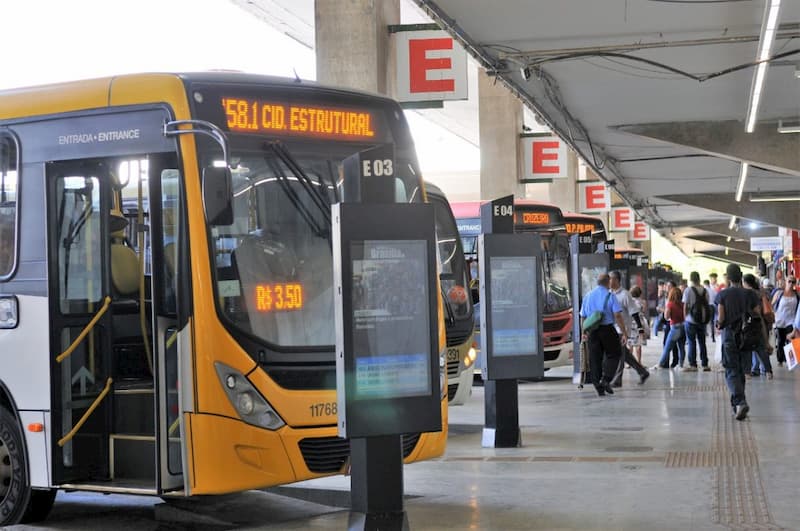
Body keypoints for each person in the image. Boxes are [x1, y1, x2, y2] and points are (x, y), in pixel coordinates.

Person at [715, 264, 762, 421]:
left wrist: (718, 325)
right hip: (747, 337)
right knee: (742, 371)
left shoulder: (723, 295)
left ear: (728, 278)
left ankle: (740, 402)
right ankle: (737, 405)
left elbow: (721, 318)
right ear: (741, 275)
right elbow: (758, 318)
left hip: (730, 336)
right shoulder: (751, 294)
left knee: (731, 371)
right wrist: (765, 342)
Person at [580, 273, 628, 397]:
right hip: (607, 330)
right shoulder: (610, 295)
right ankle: (606, 379)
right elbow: (617, 315)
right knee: (615, 354)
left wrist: (583, 332)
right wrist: (624, 332)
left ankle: (598, 386)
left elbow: (583, 316)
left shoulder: (588, 295)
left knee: (595, 358)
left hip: (593, 331)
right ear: (608, 282)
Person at [608, 271, 650, 387]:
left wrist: (640, 329)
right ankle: (643, 372)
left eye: (610, 279)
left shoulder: (625, 295)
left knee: (620, 354)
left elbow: (634, 312)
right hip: (611, 329)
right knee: (624, 354)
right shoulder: (609, 293)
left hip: (622, 330)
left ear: (616, 280)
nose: (608, 281)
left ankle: (617, 379)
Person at [742, 274, 773, 379]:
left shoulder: (746, 294)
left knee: (747, 348)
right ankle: (768, 371)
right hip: (761, 323)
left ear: (746, 283)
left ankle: (748, 372)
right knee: (761, 348)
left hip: (749, 323)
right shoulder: (762, 292)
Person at [682, 271, 711, 371]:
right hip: (702, 321)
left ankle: (693, 365)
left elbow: (685, 305)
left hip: (691, 320)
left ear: (691, 279)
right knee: (702, 342)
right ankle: (705, 364)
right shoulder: (704, 290)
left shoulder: (688, 290)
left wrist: (684, 317)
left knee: (691, 342)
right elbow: (707, 303)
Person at [654, 286, 686, 369]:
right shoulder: (683, 304)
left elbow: (666, 317)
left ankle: (660, 364)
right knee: (681, 347)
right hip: (683, 327)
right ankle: (681, 364)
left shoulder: (670, 304)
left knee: (667, 347)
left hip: (674, 328)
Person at [772, 275, 798, 368]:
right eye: (789, 281)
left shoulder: (796, 295)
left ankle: (790, 360)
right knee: (780, 341)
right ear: (786, 282)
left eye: (793, 282)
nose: (791, 284)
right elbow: (772, 304)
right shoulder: (779, 293)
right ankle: (780, 359)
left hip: (791, 321)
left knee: (791, 340)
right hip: (779, 321)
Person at [630, 285, 646, 365]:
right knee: (638, 344)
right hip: (640, 324)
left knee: (630, 344)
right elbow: (643, 311)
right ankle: (639, 362)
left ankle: (628, 363)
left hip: (631, 324)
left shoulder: (630, 302)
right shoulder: (642, 302)